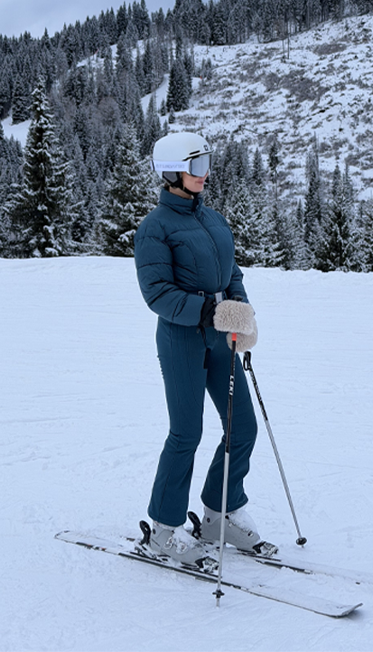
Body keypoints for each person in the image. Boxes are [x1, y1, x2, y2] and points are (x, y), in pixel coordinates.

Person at [133, 131, 265, 571]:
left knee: (242, 427)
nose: (204, 174)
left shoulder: (213, 220)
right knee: (186, 433)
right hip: (181, 339)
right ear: (172, 172)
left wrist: (240, 310)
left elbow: (232, 272)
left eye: (207, 163)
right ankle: (163, 528)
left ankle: (218, 514)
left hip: (221, 335)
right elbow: (157, 293)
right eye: (196, 166)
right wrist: (209, 311)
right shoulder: (155, 228)